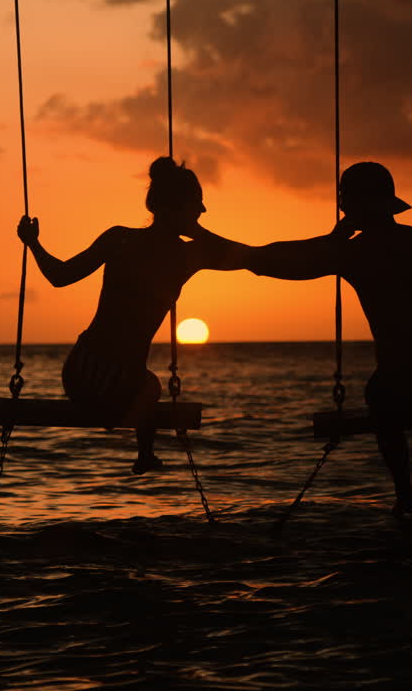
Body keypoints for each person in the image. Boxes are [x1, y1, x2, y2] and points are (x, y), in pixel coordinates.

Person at [248, 161, 412, 516]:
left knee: (379, 396)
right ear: (390, 203)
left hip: (397, 382)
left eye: (345, 201)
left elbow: (282, 265)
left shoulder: (352, 253)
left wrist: (257, 257)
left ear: (352, 207)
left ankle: (405, 493)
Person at [17, 157, 248, 474]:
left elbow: (60, 276)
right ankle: (144, 455)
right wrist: (197, 231)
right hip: (124, 381)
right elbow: (245, 256)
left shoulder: (119, 239)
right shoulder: (187, 254)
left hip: (78, 372)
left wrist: (33, 243)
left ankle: (141, 449)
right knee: (151, 386)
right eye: (198, 203)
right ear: (178, 208)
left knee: (144, 383)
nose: (203, 210)